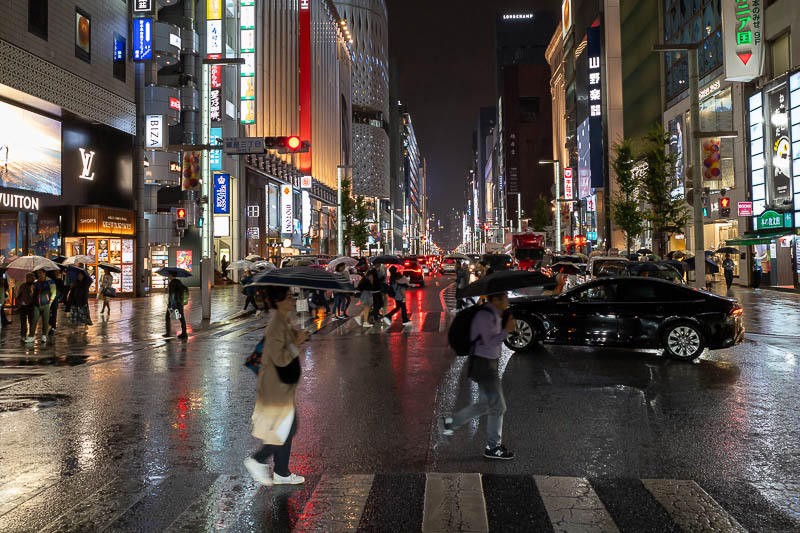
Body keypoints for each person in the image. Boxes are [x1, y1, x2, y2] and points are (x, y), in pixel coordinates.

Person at [244, 285, 308, 486]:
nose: (292, 299)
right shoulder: (276, 325)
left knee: (287, 426)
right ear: (279, 301)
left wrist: (297, 337)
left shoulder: (284, 321)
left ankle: (281, 472)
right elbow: (280, 359)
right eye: (289, 297)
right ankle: (258, 459)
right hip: (275, 386)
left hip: (281, 386)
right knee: (288, 428)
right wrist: (296, 342)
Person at [442, 291, 517, 460]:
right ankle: (492, 447)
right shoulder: (484, 316)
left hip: (489, 363)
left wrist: (508, 327)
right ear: (495, 299)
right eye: (504, 296)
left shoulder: (496, 314)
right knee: (498, 407)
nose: (507, 299)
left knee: (485, 405)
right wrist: (506, 330)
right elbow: (489, 341)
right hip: (484, 365)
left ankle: (450, 424)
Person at [31, 269, 56, 343]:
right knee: (34, 320)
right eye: (38, 273)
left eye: (40, 273)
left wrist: (50, 301)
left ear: (44, 273)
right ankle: (31, 336)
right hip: (36, 304)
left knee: (45, 321)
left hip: (46, 304)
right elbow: (33, 293)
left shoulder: (50, 282)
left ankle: (44, 335)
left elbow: (54, 292)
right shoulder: (36, 283)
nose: (39, 274)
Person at [165, 271, 188, 339]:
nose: (168, 276)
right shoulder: (179, 282)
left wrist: (171, 305)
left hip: (174, 304)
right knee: (182, 318)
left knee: (167, 317)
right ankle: (184, 333)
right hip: (180, 303)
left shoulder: (172, 283)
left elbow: (172, 295)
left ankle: (168, 333)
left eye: (169, 274)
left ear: (171, 275)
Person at [17, 273, 36, 343]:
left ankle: (31, 335)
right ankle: (23, 335)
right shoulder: (23, 285)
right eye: (27, 277)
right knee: (23, 321)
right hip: (22, 305)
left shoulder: (34, 286)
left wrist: (31, 290)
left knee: (31, 321)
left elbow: (34, 296)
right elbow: (19, 294)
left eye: (30, 277)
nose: (28, 279)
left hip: (30, 305)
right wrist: (18, 303)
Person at [48, 269, 65, 335]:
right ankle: (51, 323)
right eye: (56, 272)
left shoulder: (60, 281)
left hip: (55, 299)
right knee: (49, 312)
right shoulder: (49, 280)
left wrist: (60, 298)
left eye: (58, 272)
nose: (57, 273)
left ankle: (53, 326)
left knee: (54, 311)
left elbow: (62, 290)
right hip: (49, 298)